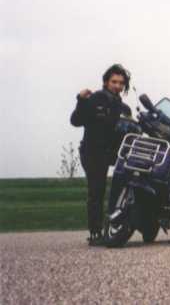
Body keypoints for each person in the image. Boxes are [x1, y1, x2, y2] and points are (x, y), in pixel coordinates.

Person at [70, 64, 132, 246]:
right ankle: (96, 233)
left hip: (112, 152)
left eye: (121, 83)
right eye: (114, 81)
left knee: (129, 179)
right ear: (106, 82)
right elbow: (75, 120)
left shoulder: (121, 105)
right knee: (97, 191)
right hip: (93, 152)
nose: (117, 86)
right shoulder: (96, 98)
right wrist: (80, 100)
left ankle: (124, 224)